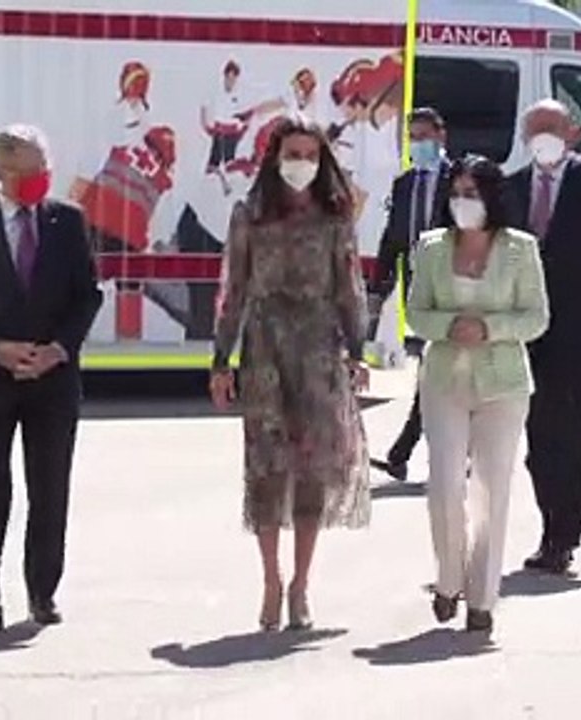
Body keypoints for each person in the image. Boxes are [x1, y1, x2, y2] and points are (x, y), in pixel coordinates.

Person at [209, 113, 372, 632]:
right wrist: (221, 359)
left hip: (319, 349)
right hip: (264, 351)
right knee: (266, 469)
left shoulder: (335, 217)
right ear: (274, 159)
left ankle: (301, 584)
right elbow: (232, 291)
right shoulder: (250, 215)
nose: (299, 164)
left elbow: (349, 288)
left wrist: (358, 350)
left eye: (309, 154)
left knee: (312, 469)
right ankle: (271, 581)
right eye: (291, 154)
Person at [0, 125, 103, 631]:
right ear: (2, 172)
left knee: (50, 488)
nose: (43, 180)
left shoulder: (67, 222)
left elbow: (87, 295)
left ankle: (42, 592)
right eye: (32, 171)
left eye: (47, 169)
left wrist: (60, 349)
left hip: (53, 381)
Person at [407, 155, 549, 633]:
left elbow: (536, 317)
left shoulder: (519, 249)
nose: (463, 203)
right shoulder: (430, 249)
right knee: (445, 486)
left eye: (472, 193)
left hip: (503, 383)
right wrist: (450, 326)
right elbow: (415, 315)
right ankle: (449, 579)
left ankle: (483, 598)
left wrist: (490, 327)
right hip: (445, 381)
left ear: (492, 197)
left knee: (491, 490)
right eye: (457, 193)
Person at [503, 100, 581, 575]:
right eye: (535, 130)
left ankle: (563, 535)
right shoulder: (510, 189)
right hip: (522, 334)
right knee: (539, 442)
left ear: (573, 133)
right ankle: (549, 522)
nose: (544, 138)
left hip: (580, 331)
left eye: (552, 129)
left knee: (574, 434)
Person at [369, 107, 453, 482]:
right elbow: (393, 238)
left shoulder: (460, 178)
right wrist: (378, 287)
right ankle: (407, 452)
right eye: (413, 138)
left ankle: (406, 451)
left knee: (438, 372)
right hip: (419, 291)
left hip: (455, 289)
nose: (419, 144)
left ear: (441, 136)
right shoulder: (405, 184)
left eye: (425, 136)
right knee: (435, 371)